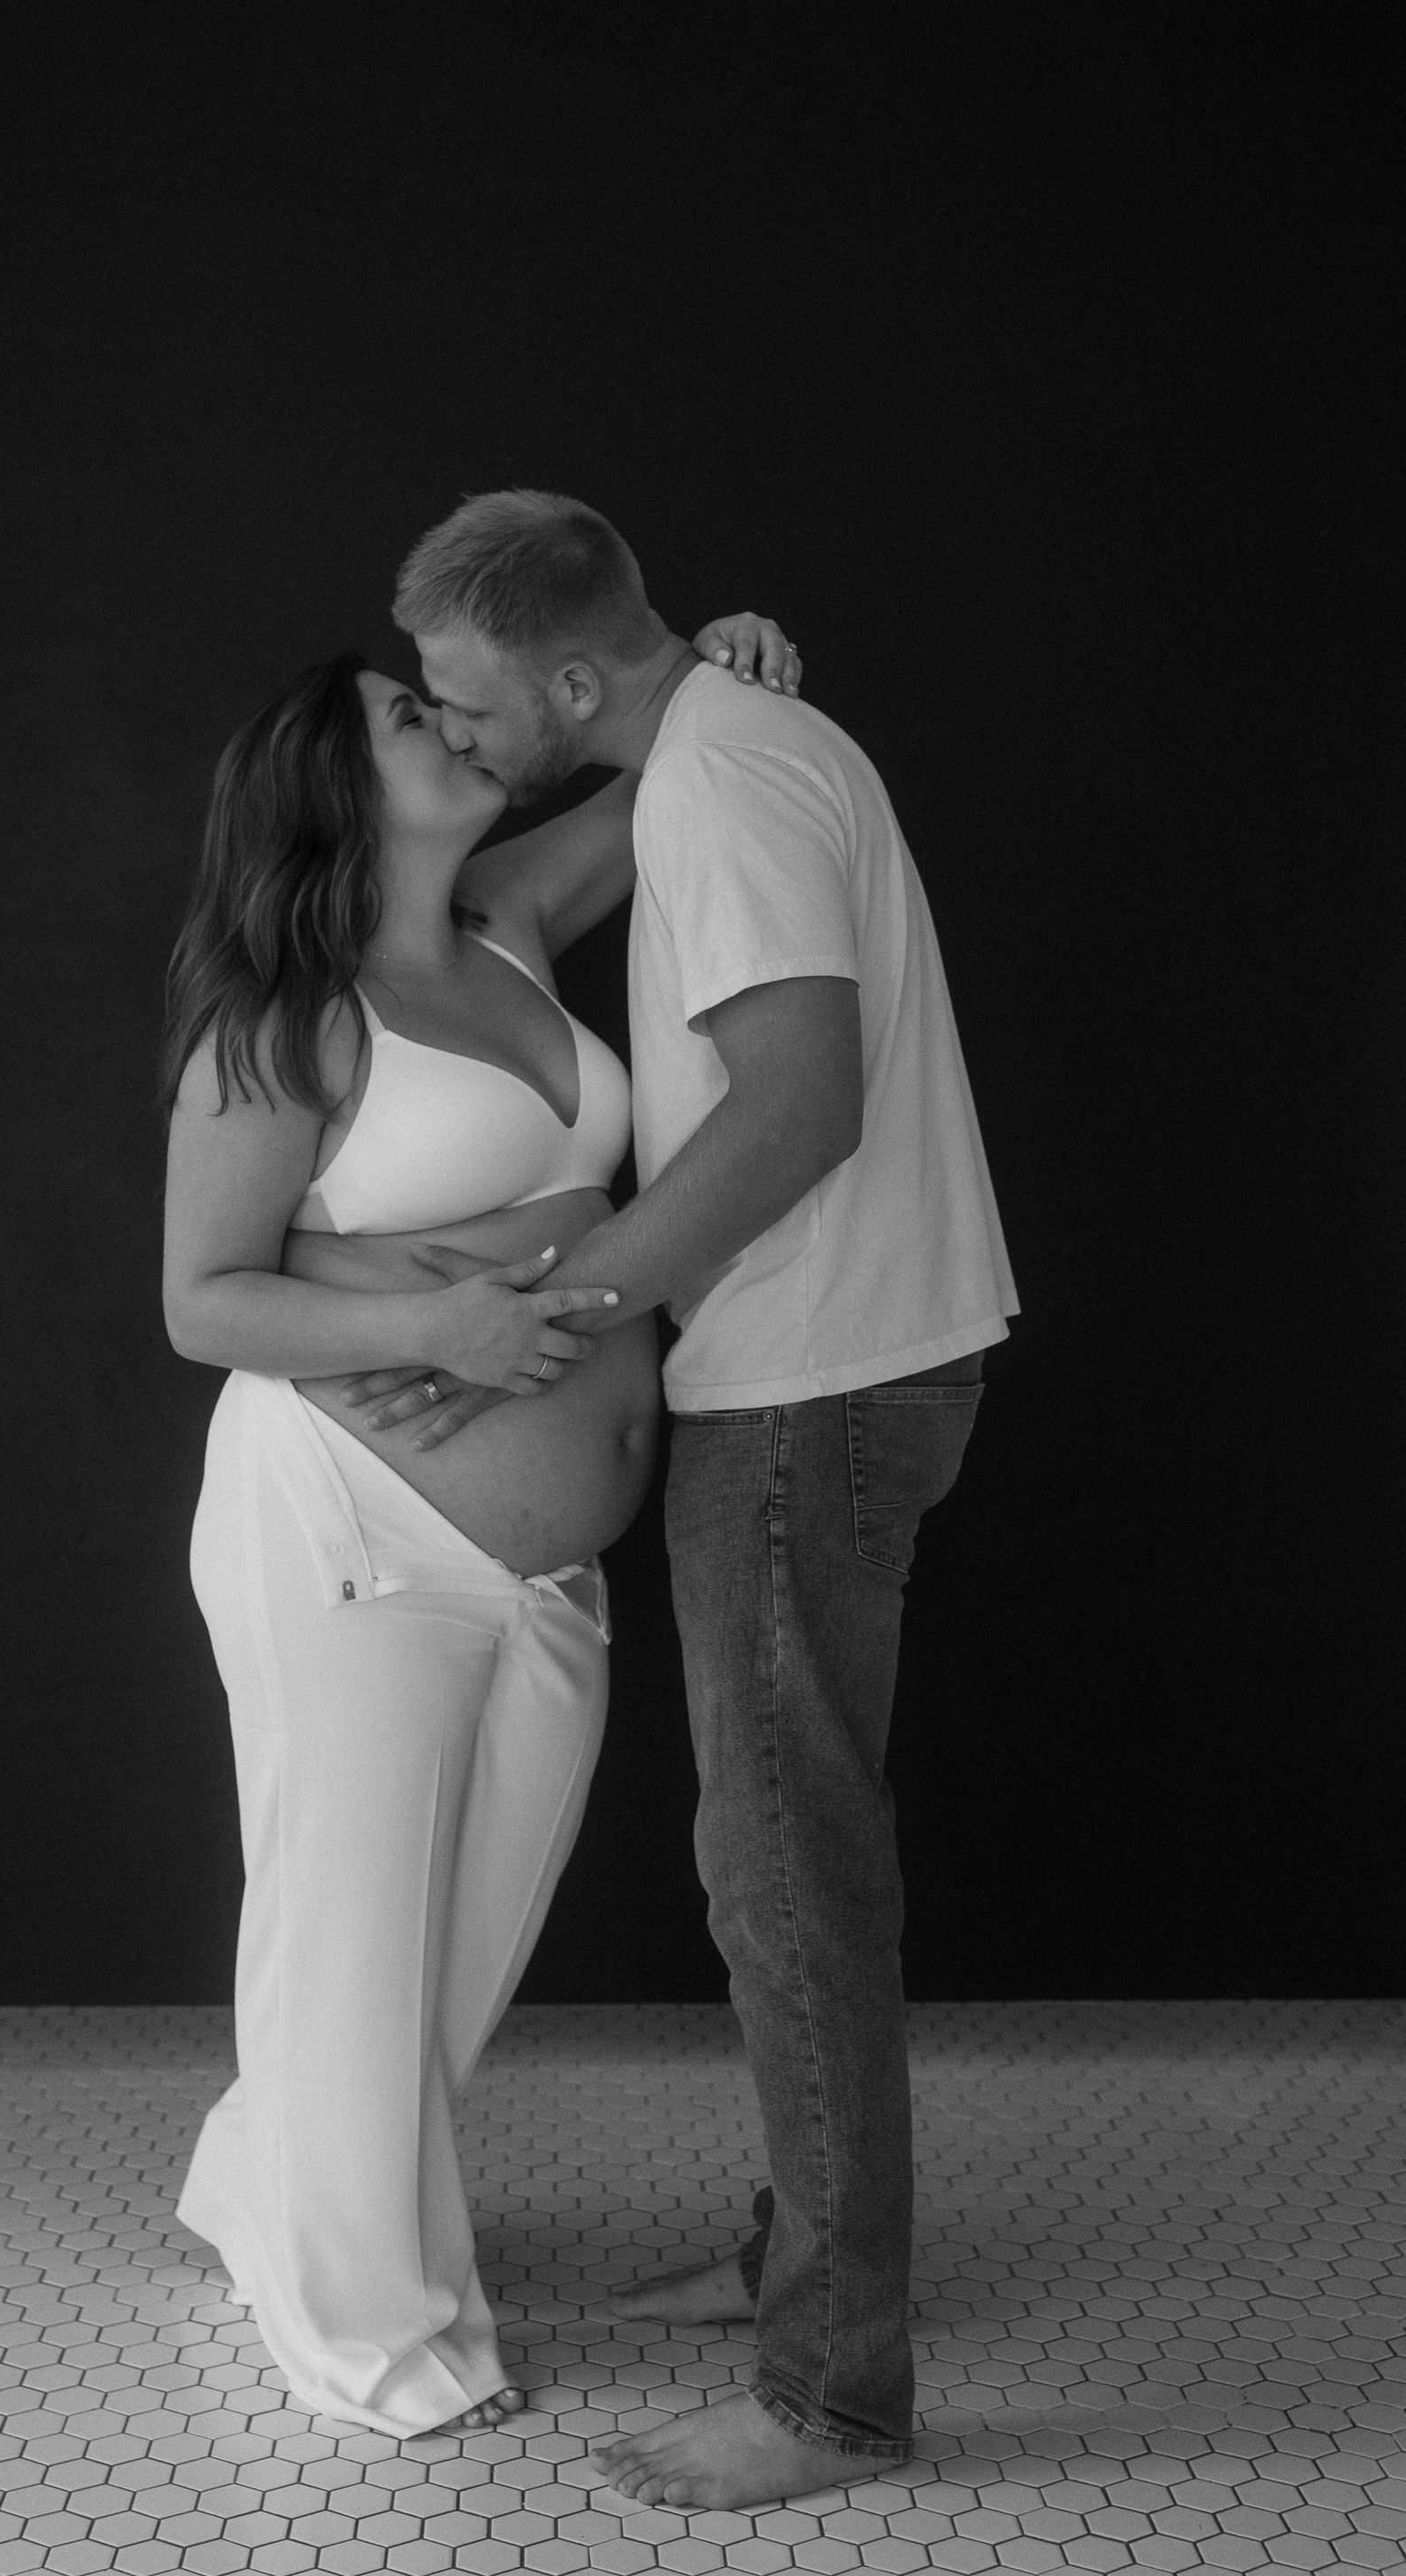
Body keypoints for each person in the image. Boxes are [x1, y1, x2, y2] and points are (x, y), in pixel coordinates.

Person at [351, 490, 1018, 2504]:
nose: (462, 735)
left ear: (569, 673)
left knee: (787, 1884)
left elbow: (803, 1101)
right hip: (846, 1373)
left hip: (813, 1393)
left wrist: (559, 1303)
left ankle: (833, 2400)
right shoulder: (728, 748)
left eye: (475, 702)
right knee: (794, 1862)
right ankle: (795, 2257)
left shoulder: (719, 786)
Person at [159, 608, 799, 2439]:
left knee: (451, 1963)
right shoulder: (284, 1011)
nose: (446, 717)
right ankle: (367, 2338)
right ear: (330, 776)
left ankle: (252, 2178)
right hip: (351, 1520)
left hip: (541, 1563)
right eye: (401, 709)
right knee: (352, 1946)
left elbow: (661, 753)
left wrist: (726, 660)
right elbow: (205, 1298)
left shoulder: (509, 917)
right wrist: (432, 1315)